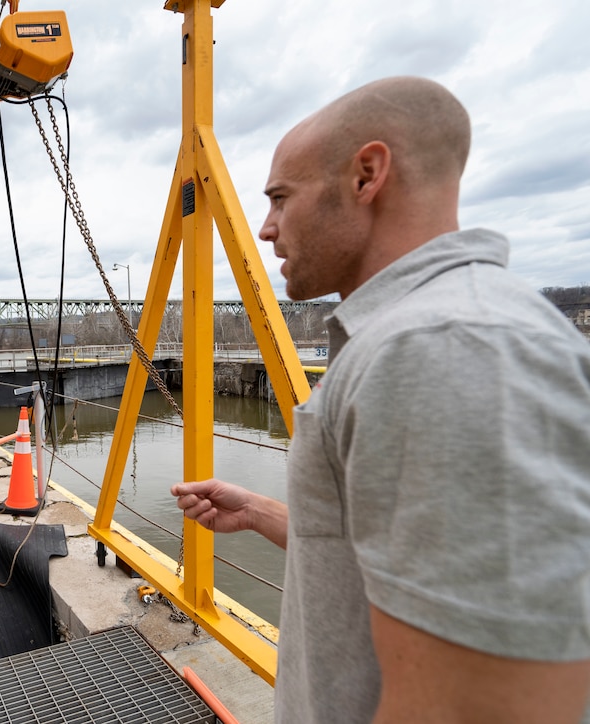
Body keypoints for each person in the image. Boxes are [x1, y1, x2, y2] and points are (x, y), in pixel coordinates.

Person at [172, 76, 590, 723]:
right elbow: (390, 553)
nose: (265, 227)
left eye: (281, 197)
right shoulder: (417, 337)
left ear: (367, 175)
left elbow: (472, 706)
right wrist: (259, 511)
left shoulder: (446, 348)